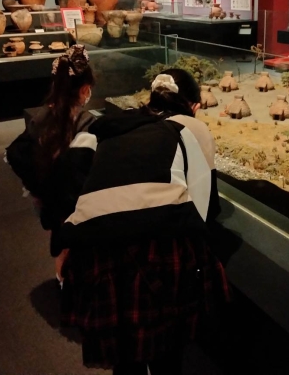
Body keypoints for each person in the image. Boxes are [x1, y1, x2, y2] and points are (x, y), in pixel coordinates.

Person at [59, 68, 230, 375]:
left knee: (124, 357)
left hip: (98, 251)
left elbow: (73, 175)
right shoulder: (191, 127)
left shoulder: (113, 122)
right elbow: (205, 208)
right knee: (166, 353)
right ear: (194, 106)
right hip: (158, 250)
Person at [6, 44, 95, 284]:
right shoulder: (86, 122)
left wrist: (39, 187)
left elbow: (17, 152)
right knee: (74, 245)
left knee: (60, 241)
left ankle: (62, 279)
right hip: (72, 198)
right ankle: (73, 285)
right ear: (85, 89)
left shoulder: (42, 115)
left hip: (46, 195)